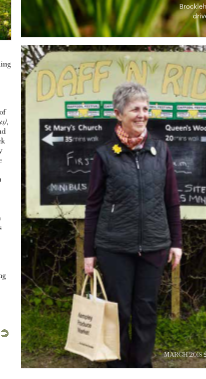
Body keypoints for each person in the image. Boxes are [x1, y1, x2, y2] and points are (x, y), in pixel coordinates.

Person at [83, 82, 182, 368]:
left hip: (154, 244)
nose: (142, 115)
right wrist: (89, 252)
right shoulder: (105, 154)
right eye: (134, 109)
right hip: (114, 245)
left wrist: (176, 242)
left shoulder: (161, 151)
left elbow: (172, 201)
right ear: (118, 114)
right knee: (118, 311)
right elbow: (93, 205)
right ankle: (116, 365)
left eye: (145, 109)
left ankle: (141, 366)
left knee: (146, 310)